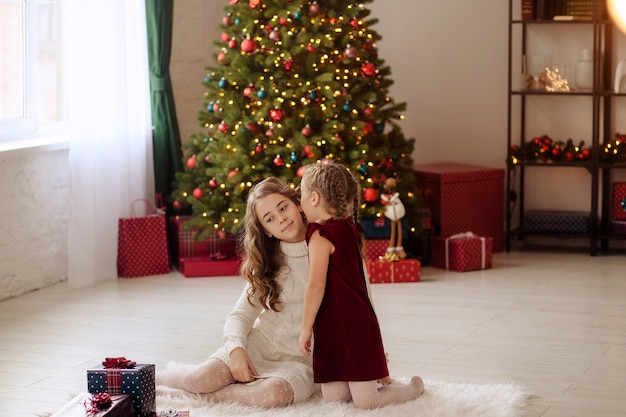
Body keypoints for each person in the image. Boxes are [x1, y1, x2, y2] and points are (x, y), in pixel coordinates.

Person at [156, 177, 316, 407]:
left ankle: (192, 398)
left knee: (273, 395)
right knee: (201, 378)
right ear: (266, 231)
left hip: (302, 363)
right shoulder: (269, 265)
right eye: (270, 218)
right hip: (260, 346)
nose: (281, 218)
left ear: (298, 204)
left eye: (284, 207)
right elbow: (240, 316)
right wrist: (237, 350)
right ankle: (151, 378)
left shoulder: (324, 249)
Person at [297, 162, 424, 410]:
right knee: (335, 399)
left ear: (314, 198)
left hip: (354, 327)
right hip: (333, 326)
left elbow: (315, 286)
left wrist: (305, 329)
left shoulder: (321, 235)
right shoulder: (346, 228)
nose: (299, 201)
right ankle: (368, 378)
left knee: (367, 402)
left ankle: (413, 388)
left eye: (301, 195)